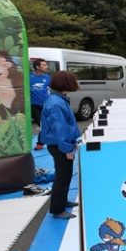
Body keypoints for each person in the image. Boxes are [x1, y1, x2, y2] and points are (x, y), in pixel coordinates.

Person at [39, 71, 81, 219]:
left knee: (66, 175)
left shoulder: (58, 99)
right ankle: (57, 209)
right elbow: (60, 129)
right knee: (62, 177)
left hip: (60, 144)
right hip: (59, 145)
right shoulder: (56, 103)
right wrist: (67, 148)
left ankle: (62, 201)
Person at [30, 59, 51, 150]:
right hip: (33, 106)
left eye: (46, 65)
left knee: (47, 124)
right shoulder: (29, 77)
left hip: (45, 105)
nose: (46, 66)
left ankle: (41, 143)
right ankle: (40, 143)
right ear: (37, 67)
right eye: (44, 65)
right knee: (43, 124)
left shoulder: (47, 77)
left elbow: (53, 89)